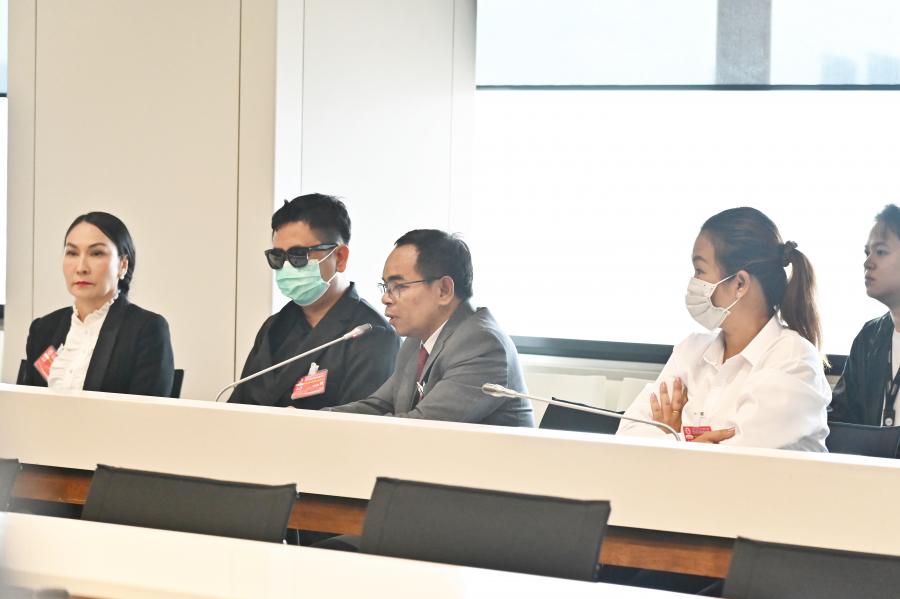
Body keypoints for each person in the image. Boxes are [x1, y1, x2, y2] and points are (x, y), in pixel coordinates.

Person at [616, 207, 830, 451]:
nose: (693, 282)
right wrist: (684, 443)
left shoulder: (792, 358)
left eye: (700, 270)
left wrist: (673, 435)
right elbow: (625, 437)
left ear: (740, 283)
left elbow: (734, 460)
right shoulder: (691, 350)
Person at [325, 229, 534, 426]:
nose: (385, 298)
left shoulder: (482, 345)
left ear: (444, 290)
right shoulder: (416, 340)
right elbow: (378, 406)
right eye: (386, 287)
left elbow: (422, 426)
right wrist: (312, 419)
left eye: (399, 286)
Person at [228, 193, 399, 409]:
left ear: (340, 257)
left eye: (299, 255)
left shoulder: (372, 334)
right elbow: (238, 406)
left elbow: (361, 422)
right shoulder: (274, 327)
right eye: (278, 257)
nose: (287, 267)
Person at [20, 212, 175, 396]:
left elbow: (148, 411)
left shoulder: (147, 329)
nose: (81, 268)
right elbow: (26, 403)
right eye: (72, 253)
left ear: (123, 265)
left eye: (96, 253)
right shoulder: (43, 329)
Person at [830, 204, 900, 426]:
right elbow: (840, 421)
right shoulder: (869, 337)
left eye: (881, 252)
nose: (868, 262)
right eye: (867, 252)